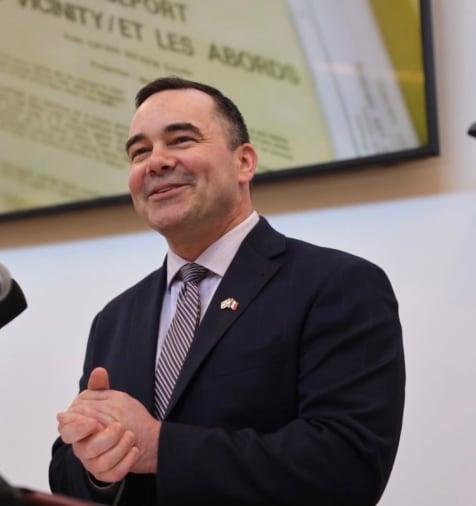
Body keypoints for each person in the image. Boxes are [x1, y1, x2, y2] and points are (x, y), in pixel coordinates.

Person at [49, 77, 405, 506]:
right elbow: (69, 475)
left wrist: (162, 447)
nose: (156, 163)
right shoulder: (114, 318)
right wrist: (98, 467)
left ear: (245, 162)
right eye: (139, 152)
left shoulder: (337, 285)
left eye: (181, 140)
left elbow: (348, 464)